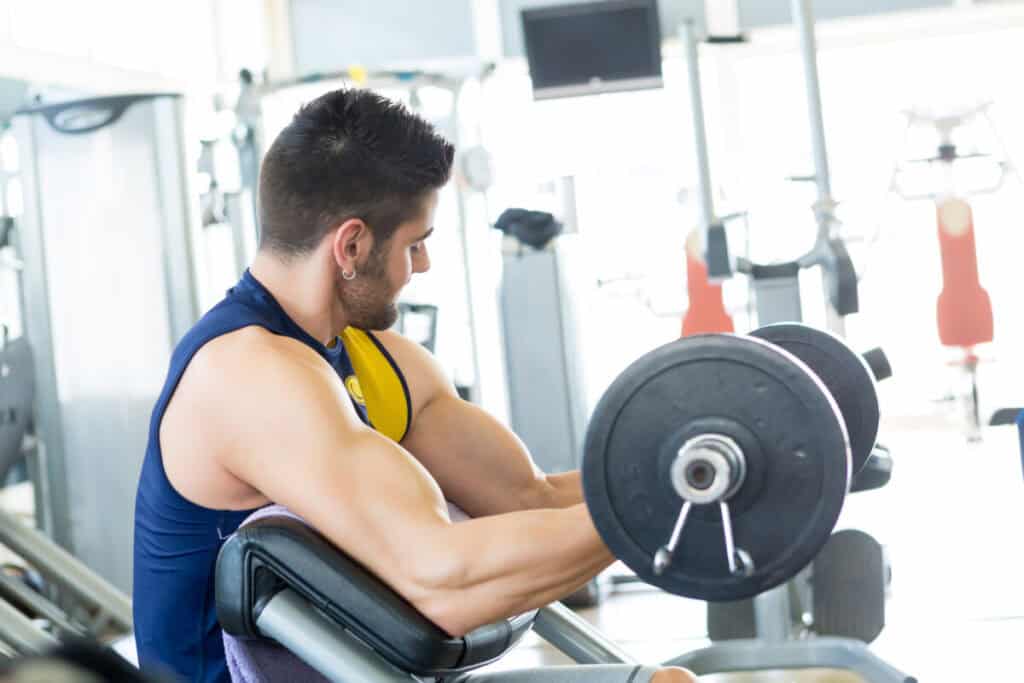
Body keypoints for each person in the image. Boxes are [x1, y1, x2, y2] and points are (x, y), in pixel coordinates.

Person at [132, 88, 697, 683]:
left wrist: (675, 468)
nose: (422, 266)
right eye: (414, 244)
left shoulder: (378, 361)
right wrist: (667, 503)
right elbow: (440, 581)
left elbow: (529, 500)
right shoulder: (247, 377)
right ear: (350, 246)